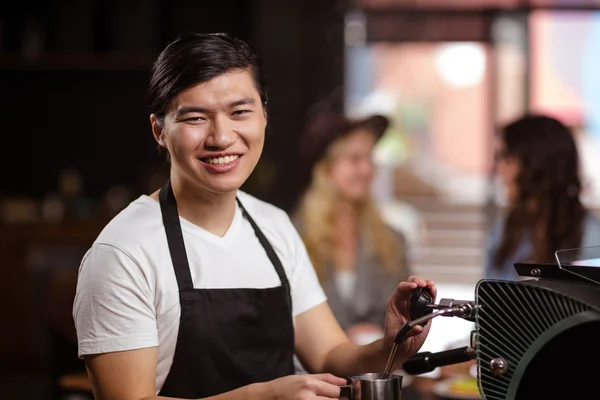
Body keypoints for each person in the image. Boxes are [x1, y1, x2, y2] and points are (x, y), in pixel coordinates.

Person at [72, 32, 436, 400]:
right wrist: (265, 397)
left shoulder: (274, 226)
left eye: (239, 112)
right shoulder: (123, 253)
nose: (221, 137)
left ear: (264, 115)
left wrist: (392, 345)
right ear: (159, 131)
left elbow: (330, 354)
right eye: (196, 118)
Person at [293, 111, 411, 345]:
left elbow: (408, 320)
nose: (367, 170)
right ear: (325, 168)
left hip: (377, 374)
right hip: (312, 375)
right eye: (355, 159)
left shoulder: (393, 240)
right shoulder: (291, 236)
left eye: (370, 159)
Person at [485, 114, 600, 280]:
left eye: (507, 157)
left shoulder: (590, 236)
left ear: (536, 163)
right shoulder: (505, 230)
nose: (500, 169)